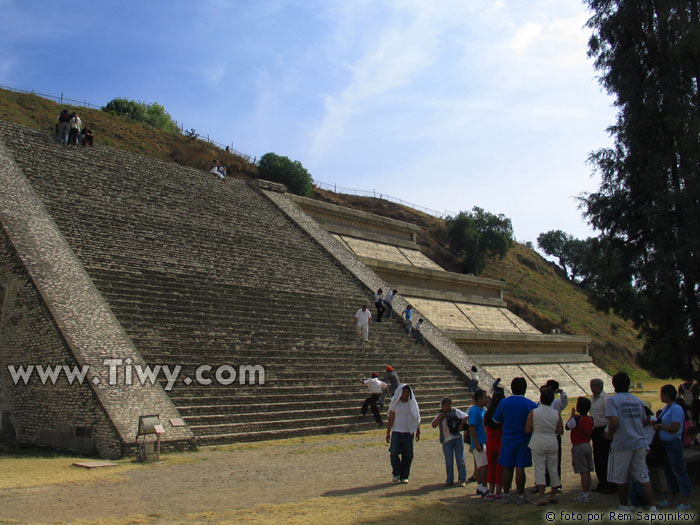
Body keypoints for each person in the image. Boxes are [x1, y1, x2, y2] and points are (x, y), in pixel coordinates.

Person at [606, 372, 658, 513]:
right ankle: (653, 507)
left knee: (620, 477)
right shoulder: (636, 400)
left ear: (614, 385)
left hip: (622, 443)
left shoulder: (612, 400)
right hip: (639, 441)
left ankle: (624, 506)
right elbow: (642, 420)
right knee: (643, 475)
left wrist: (609, 433)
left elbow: (614, 421)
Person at [492, 377, 537, 505]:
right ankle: (521, 495)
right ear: (525, 389)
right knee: (520, 467)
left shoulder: (504, 403)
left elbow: (496, 420)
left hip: (507, 438)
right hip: (523, 439)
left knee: (507, 467)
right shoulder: (530, 404)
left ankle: (505, 494)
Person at [654, 384, 693, 511]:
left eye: (662, 394)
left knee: (679, 470)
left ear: (667, 395)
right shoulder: (667, 408)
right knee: (669, 471)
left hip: (674, 443)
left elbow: (675, 427)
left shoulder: (676, 409)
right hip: (665, 443)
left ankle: (685, 499)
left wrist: (660, 426)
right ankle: (672, 496)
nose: (660, 396)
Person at [526, 387, 563, 505]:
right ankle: (553, 494)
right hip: (552, 441)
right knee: (553, 468)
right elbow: (560, 430)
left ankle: (542, 496)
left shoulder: (534, 412)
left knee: (540, 469)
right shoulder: (556, 413)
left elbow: (527, 429)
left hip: (538, 440)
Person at [386, 384, 421, 483]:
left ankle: (405, 475)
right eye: (404, 392)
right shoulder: (395, 403)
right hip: (397, 431)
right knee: (393, 453)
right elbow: (391, 418)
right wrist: (388, 432)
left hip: (408, 432)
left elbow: (417, 418)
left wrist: (418, 430)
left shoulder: (412, 404)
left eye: (407, 393)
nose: (406, 394)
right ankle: (396, 472)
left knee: (408, 455)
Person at [431, 397, 468, 486]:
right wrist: (440, 417)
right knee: (449, 461)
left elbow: (465, 416)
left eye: (450, 404)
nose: (448, 406)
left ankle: (462, 479)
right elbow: (433, 424)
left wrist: (461, 425)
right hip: (446, 440)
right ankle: (449, 479)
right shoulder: (439, 414)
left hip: (457, 438)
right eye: (446, 404)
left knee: (460, 459)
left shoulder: (455, 411)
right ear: (443, 405)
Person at [566, 397, 595, 503]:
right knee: (587, 470)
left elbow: (567, 426)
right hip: (587, 444)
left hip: (578, 445)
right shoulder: (590, 419)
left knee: (583, 471)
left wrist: (572, 415)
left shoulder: (577, 419)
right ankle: (588, 491)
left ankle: (585, 493)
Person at [589, 378, 613, 493]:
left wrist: (608, 430)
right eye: (592, 385)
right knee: (597, 458)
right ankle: (602, 482)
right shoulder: (592, 399)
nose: (593, 388)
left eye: (595, 386)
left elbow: (610, 417)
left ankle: (609, 484)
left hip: (604, 430)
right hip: (595, 430)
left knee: (605, 458)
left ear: (601, 386)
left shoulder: (606, 399)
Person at [544, 379, 567, 491]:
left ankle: (556, 482)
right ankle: (545, 480)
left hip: (553, 433)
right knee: (545, 461)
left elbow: (564, 403)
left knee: (555, 460)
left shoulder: (556, 401)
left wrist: (562, 393)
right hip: (546, 433)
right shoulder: (542, 400)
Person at [484, 390, 505, 500]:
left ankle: (491, 492)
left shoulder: (487, 413)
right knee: (500, 468)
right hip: (501, 442)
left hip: (490, 442)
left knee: (491, 468)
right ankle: (498, 492)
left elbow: (486, 430)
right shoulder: (503, 413)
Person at [469, 389, 489, 497]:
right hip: (479, 442)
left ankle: (480, 487)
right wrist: (476, 443)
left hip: (484, 440)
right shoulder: (475, 410)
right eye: (485, 397)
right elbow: (471, 427)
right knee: (483, 466)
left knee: (482, 466)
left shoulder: (483, 410)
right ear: (479, 399)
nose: (486, 399)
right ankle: (484, 487)